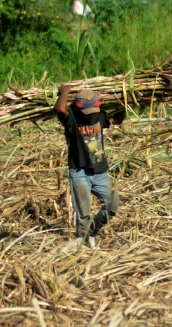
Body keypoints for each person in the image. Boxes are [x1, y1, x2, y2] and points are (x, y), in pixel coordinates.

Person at [54, 84, 124, 249]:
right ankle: (84, 242)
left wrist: (126, 100)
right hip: (79, 171)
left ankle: (91, 232)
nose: (90, 116)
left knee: (112, 205)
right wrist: (65, 92)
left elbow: (117, 119)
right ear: (79, 108)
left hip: (100, 171)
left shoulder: (99, 116)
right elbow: (59, 110)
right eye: (87, 113)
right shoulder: (72, 118)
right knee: (83, 214)